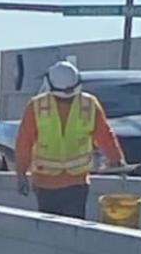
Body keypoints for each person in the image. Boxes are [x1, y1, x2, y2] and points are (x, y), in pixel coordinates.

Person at [14, 61, 124, 219]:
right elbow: (105, 136)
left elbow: (24, 143)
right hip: (65, 183)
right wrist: (117, 160)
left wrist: (21, 174)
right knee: (72, 229)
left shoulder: (37, 105)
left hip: (59, 183)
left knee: (51, 228)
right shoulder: (88, 104)